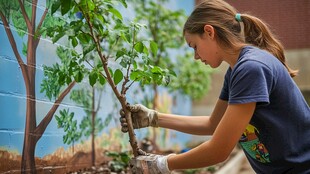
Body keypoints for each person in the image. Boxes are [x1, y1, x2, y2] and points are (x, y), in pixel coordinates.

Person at [119, 0, 310, 173]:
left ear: (209, 32)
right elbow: (213, 124)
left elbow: (218, 151)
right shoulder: (236, 70)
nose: (195, 56)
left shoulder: (251, 68)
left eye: (194, 46)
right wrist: (153, 118)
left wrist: (160, 164)